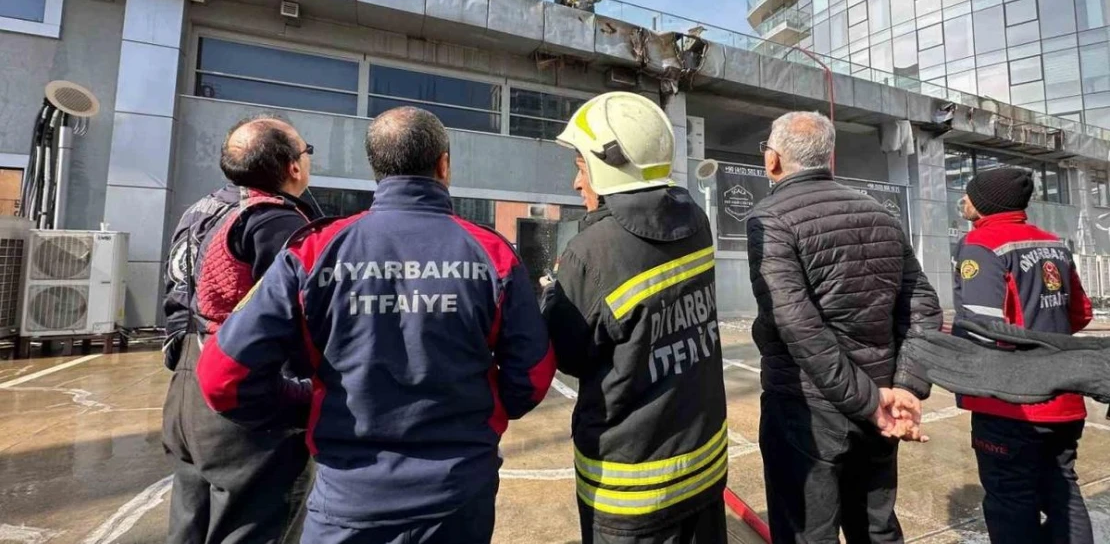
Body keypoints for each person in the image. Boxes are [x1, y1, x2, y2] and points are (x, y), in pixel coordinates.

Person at [196, 106, 556, 544]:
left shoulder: (314, 252)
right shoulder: (491, 254)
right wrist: (475, 408)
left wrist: (305, 405)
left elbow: (222, 377)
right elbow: (533, 376)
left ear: (376, 169)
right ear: (444, 164)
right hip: (459, 495)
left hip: (347, 500)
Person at [746, 111, 942, 544]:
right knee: (875, 527)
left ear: (773, 160)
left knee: (807, 531)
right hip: (880, 399)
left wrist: (871, 401)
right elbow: (924, 306)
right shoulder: (880, 213)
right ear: (828, 157)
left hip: (808, 407)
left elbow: (795, 323)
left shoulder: (771, 218)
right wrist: (904, 386)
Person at [541, 92, 728, 543]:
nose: (575, 184)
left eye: (581, 167)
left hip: (632, 489)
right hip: (704, 466)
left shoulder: (591, 254)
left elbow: (565, 355)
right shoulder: (695, 220)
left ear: (609, 165)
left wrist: (555, 297)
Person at [162, 115, 319, 544]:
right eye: (307, 152)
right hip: (244, 398)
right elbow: (304, 317)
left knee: (189, 525)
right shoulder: (273, 221)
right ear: (292, 167)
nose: (308, 161)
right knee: (256, 525)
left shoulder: (201, 209)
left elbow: (175, 300)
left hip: (187, 389)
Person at [952, 166, 1093, 544]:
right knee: (1063, 492)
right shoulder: (1053, 243)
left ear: (985, 204)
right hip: (1063, 396)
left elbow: (984, 328)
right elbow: (1080, 314)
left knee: (1010, 500)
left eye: (968, 194)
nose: (962, 200)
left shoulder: (981, 245)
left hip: (1010, 404)